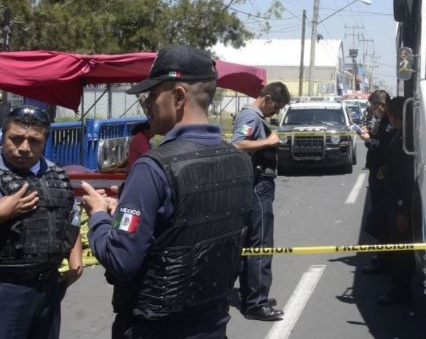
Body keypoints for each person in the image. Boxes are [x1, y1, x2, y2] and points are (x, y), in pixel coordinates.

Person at [80, 44, 254, 339]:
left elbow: (122, 259)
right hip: (213, 324)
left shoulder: (152, 168)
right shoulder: (240, 161)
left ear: (178, 96)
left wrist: (98, 216)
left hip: (154, 327)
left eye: (151, 95)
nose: (147, 104)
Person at [0, 105, 82, 339]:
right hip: (6, 286)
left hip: (48, 286)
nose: (24, 148)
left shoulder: (55, 174)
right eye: (15, 139)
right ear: (3, 136)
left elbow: (70, 215)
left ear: (44, 142)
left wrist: (75, 258)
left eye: (34, 141)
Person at [231, 81, 290, 321]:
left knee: (255, 244)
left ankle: (254, 295)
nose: (275, 113)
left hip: (259, 186)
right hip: (257, 187)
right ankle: (256, 303)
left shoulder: (253, 117)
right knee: (261, 245)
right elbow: (237, 144)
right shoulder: (252, 117)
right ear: (266, 99)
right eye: (275, 108)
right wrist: (267, 142)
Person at [375, 96, 416, 306]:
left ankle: (401, 292)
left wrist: (402, 210)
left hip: (400, 203)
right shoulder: (400, 135)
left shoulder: (406, 139)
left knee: (401, 251)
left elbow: (407, 177)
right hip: (394, 199)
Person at [356, 89, 393, 274]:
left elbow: (383, 147)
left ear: (382, 105)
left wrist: (368, 139)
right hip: (378, 172)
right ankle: (383, 256)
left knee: (380, 218)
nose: (373, 110)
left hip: (383, 175)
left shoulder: (390, 123)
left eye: (374, 106)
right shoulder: (384, 121)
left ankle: (384, 259)